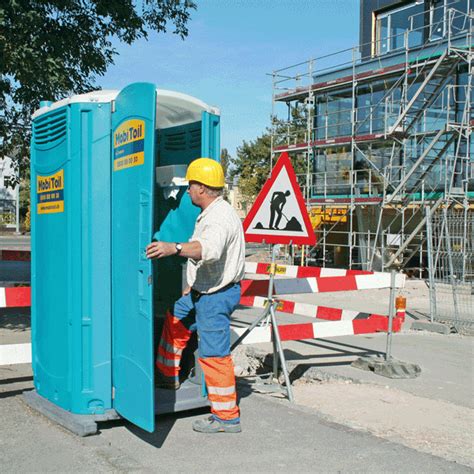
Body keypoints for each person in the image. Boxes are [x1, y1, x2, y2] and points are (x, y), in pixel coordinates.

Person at [146, 157, 245, 434]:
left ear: (201, 188)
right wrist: (194, 283)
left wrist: (173, 247)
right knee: (175, 320)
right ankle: (167, 377)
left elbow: (208, 250)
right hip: (204, 289)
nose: (187, 191)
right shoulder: (212, 212)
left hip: (216, 295)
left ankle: (226, 417)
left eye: (190, 186)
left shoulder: (219, 218)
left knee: (214, 354)